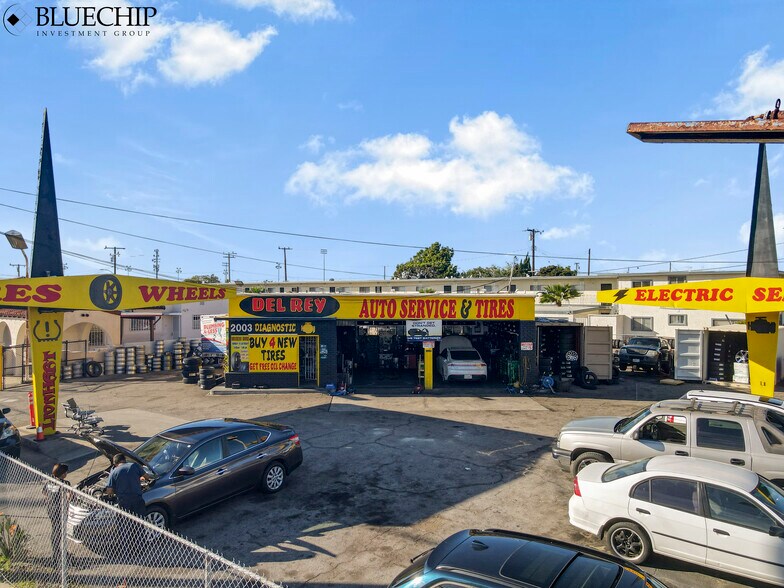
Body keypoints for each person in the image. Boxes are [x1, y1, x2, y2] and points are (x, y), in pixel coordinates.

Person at [42, 462, 70, 561]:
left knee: (55, 529)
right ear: (63, 473)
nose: (66, 474)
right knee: (59, 531)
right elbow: (69, 497)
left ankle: (57, 551)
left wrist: (51, 498)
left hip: (50, 508)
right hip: (60, 510)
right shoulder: (65, 483)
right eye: (66, 472)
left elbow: (44, 492)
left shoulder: (50, 481)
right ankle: (57, 553)